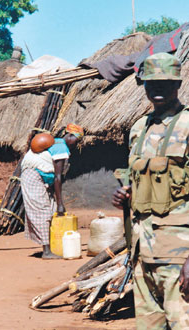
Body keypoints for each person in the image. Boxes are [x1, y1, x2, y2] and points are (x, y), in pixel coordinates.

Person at [112, 53, 189, 329]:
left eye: (165, 83)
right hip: (143, 253)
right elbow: (146, 180)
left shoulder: (187, 125)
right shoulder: (138, 128)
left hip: (179, 255)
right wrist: (128, 195)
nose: (157, 89)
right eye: (151, 83)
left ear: (177, 85)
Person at [20, 124, 84, 259]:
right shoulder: (61, 148)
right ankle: (46, 251)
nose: (75, 144)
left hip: (39, 178)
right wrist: (61, 202)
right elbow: (58, 177)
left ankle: (53, 245)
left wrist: (58, 202)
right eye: (76, 141)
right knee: (43, 211)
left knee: (52, 209)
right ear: (70, 136)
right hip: (33, 177)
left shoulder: (59, 144)